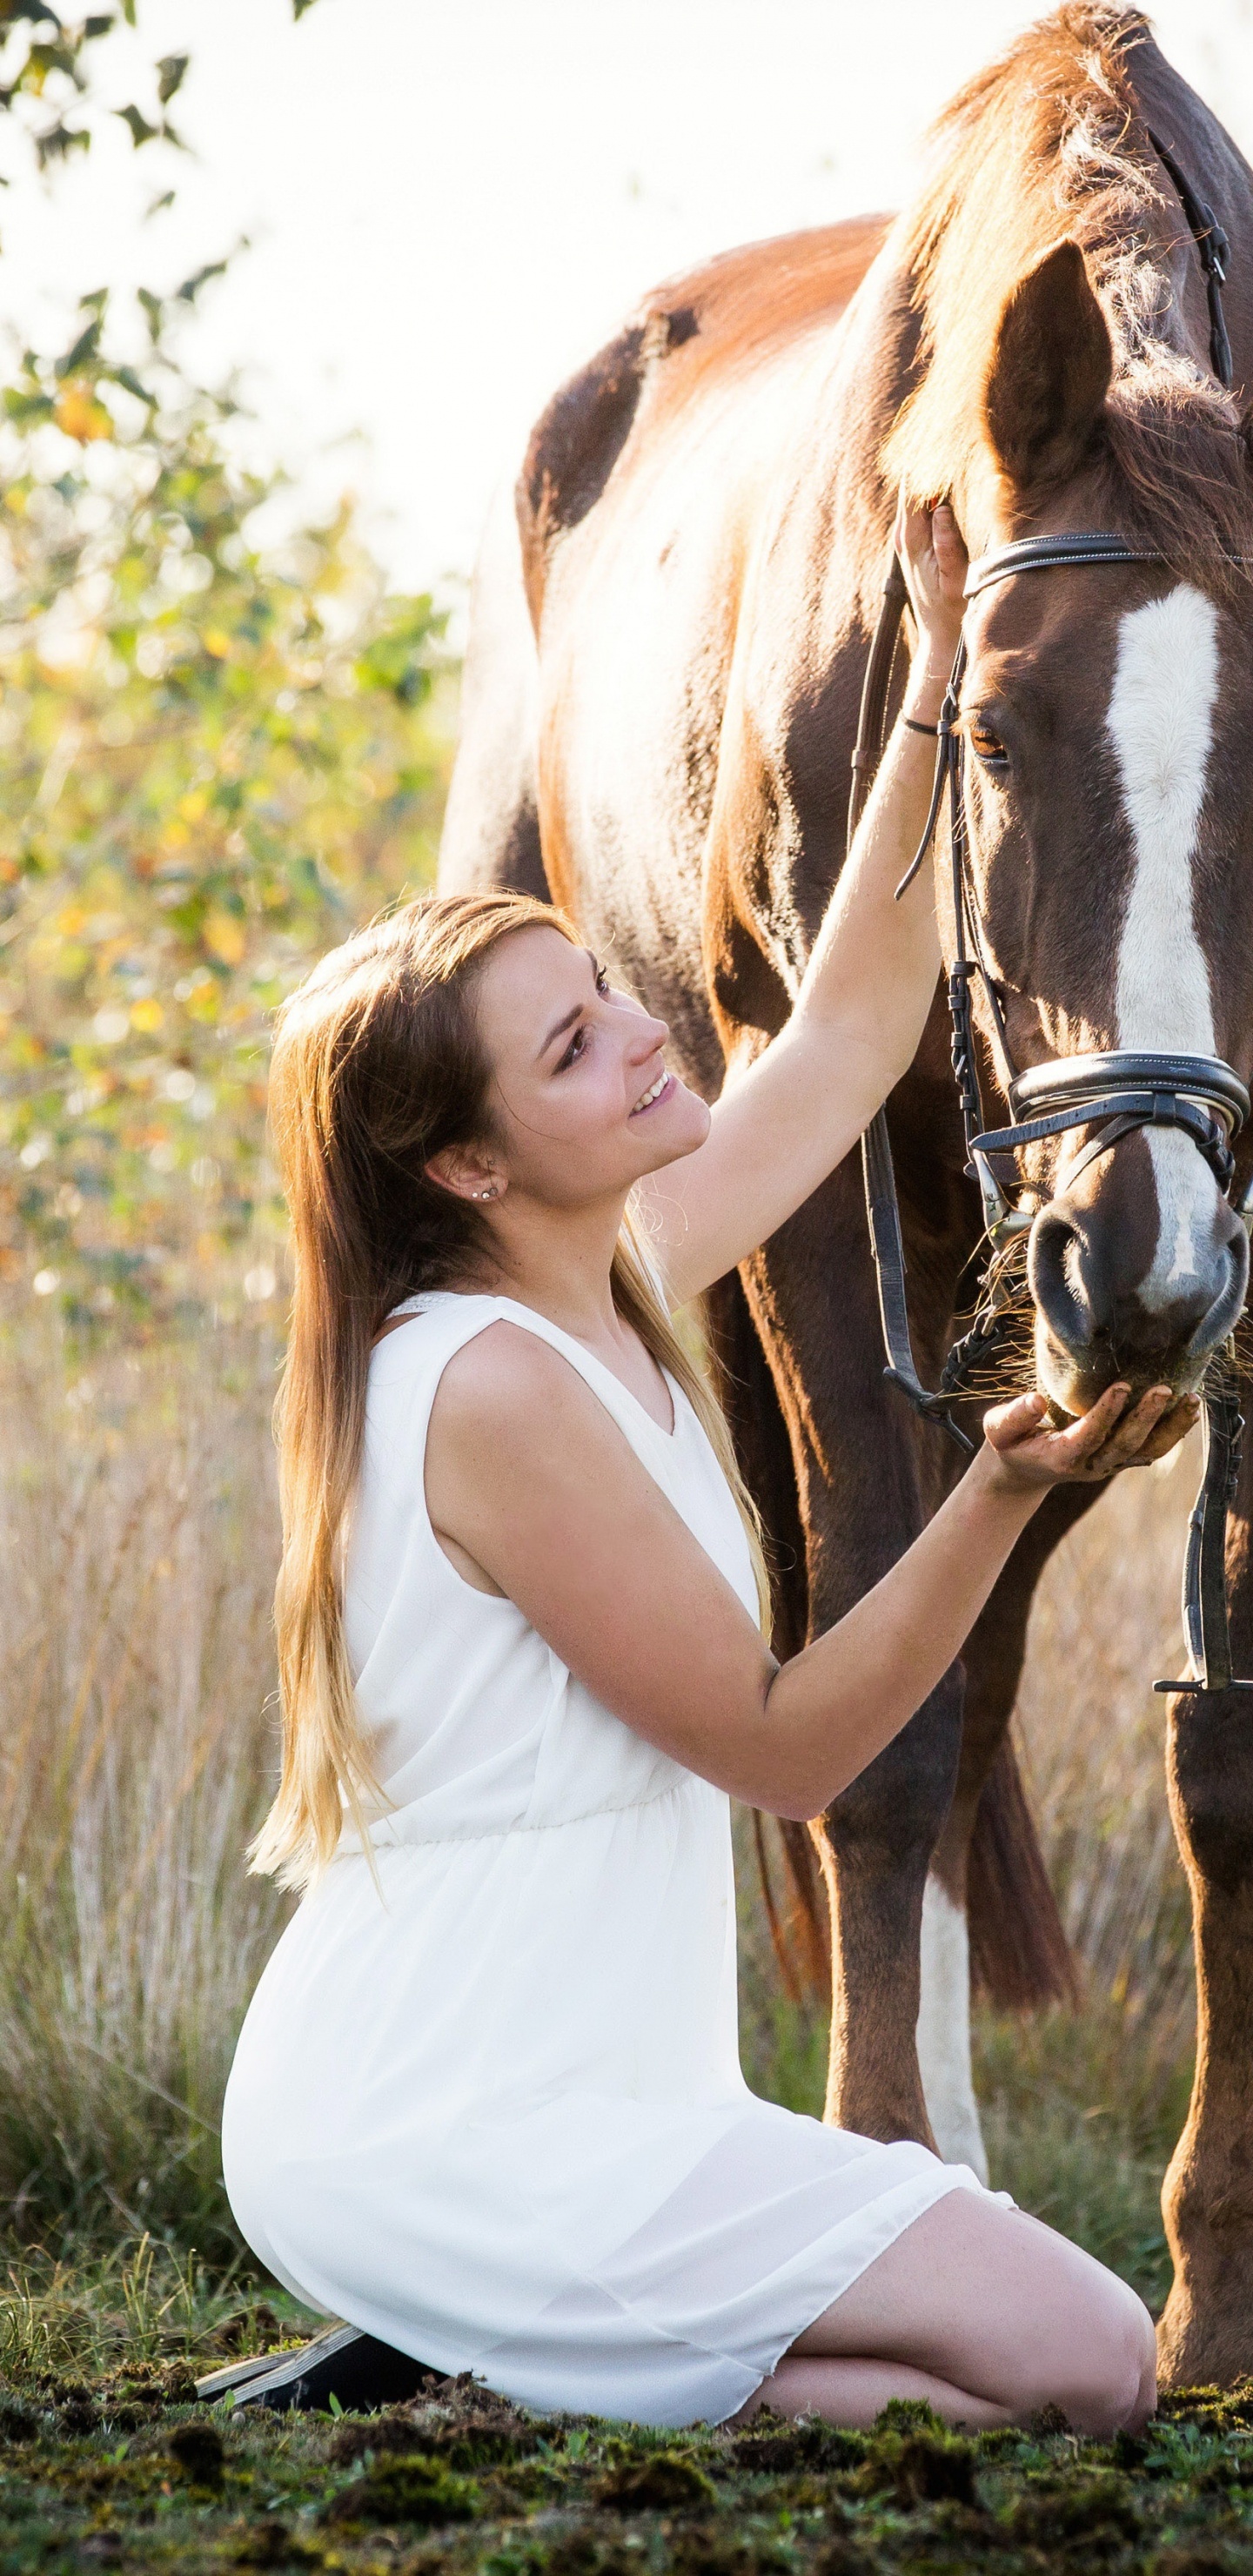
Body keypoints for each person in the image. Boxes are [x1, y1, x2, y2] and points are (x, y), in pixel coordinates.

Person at [221, 499, 1189, 2437]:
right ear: (468, 1165)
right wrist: (991, 1498)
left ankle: (492, 2372)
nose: (647, 1039)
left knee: (1032, 2368)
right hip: (453, 2118)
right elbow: (784, 1746)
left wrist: (932, 690)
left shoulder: (612, 1280)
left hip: (597, 2104)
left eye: (606, 988)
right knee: (1085, 2361)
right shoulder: (484, 1385)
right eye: (577, 1048)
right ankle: (496, 2354)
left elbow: (846, 1037)